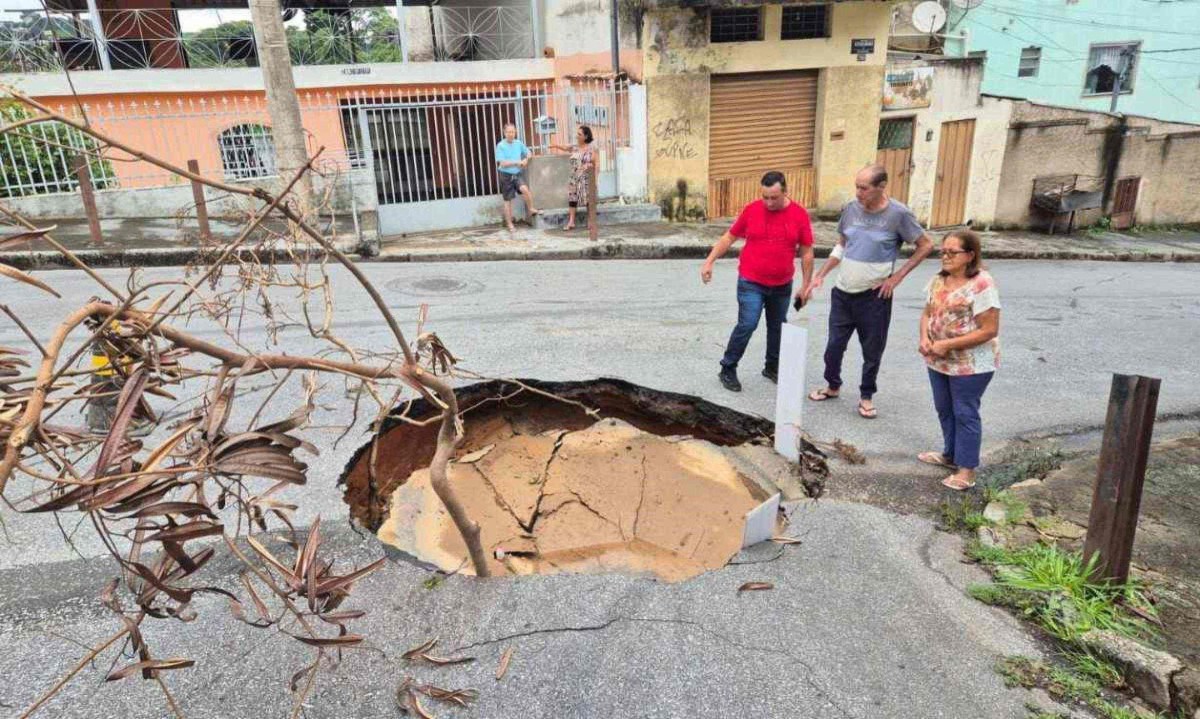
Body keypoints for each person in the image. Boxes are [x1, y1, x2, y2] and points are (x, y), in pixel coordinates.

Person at [804, 164, 934, 419]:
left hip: (874, 297)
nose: (858, 193)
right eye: (857, 186)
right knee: (833, 346)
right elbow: (842, 245)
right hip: (843, 293)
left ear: (881, 187)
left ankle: (866, 396)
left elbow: (926, 245)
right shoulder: (851, 210)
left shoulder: (899, 214)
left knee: (872, 350)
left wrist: (897, 277)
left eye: (863, 188)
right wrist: (820, 275)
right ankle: (832, 386)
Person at [701, 171, 814, 392]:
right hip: (751, 281)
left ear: (785, 192)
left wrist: (806, 285)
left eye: (774, 198)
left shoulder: (799, 215)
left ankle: (772, 367)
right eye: (765, 197)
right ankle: (728, 367)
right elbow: (729, 237)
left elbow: (807, 251)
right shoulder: (752, 210)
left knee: (777, 327)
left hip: (782, 283)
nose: (769, 203)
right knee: (748, 323)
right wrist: (709, 261)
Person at [918, 230, 1001, 491]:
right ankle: (950, 455)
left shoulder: (982, 283)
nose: (945, 256)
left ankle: (966, 471)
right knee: (944, 408)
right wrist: (924, 338)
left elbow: (989, 330)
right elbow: (927, 313)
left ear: (970, 255)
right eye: (943, 251)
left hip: (971, 363)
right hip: (938, 359)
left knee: (965, 412)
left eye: (952, 252)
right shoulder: (939, 280)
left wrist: (946, 344)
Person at [548, 125, 595, 231]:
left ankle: (590, 221)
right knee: (572, 199)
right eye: (577, 134)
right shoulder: (575, 147)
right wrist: (554, 145)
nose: (577, 136)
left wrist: (595, 179)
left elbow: (596, 164)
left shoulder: (591, 149)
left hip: (587, 177)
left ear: (586, 136)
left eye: (579, 134)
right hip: (574, 177)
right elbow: (564, 147)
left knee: (588, 199)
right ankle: (571, 221)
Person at [494, 123, 538, 232]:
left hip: (517, 174)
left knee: (525, 189)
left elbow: (528, 152)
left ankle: (531, 208)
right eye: (508, 132)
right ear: (504, 133)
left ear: (515, 132)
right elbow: (502, 163)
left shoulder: (518, 143)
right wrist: (517, 162)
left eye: (513, 132)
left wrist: (526, 159)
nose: (511, 134)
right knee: (508, 200)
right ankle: (510, 224)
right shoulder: (501, 145)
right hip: (506, 175)